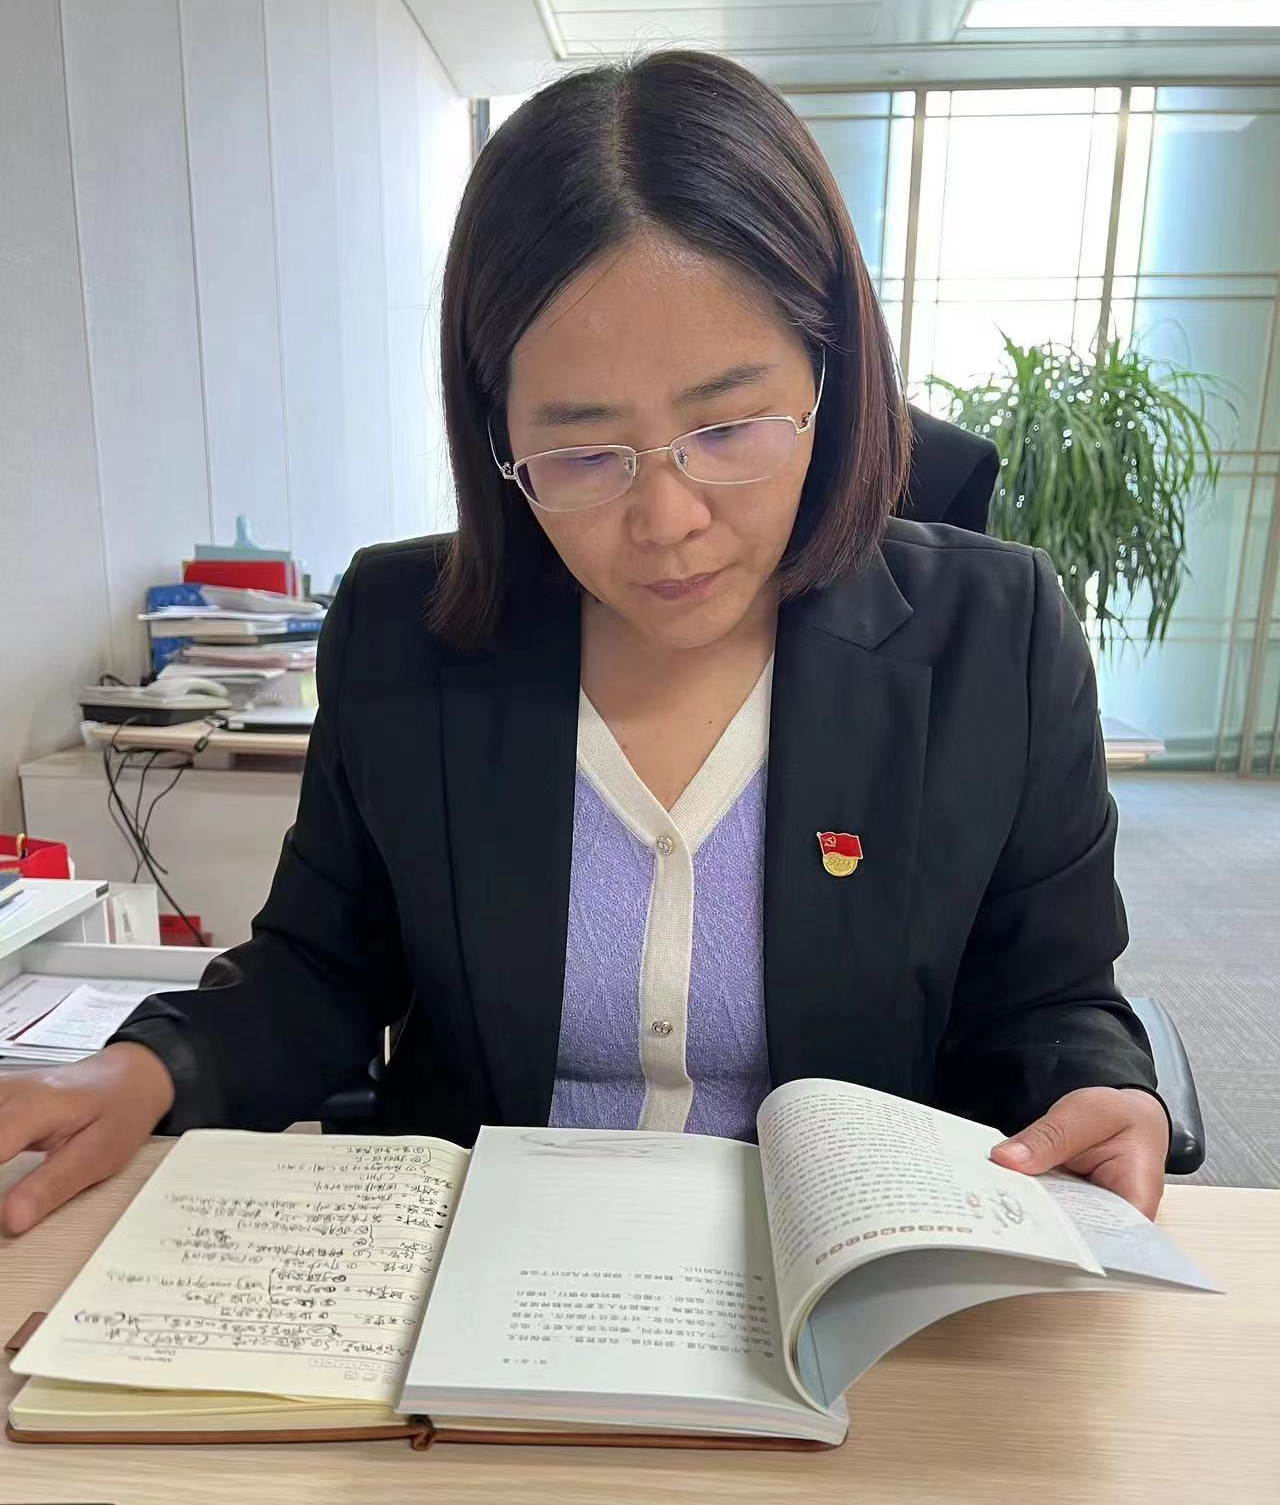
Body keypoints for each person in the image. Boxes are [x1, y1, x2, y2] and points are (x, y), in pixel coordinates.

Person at [0, 50, 1169, 1238]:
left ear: (831, 378)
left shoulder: (993, 634)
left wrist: (1096, 1082)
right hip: (474, 1276)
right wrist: (151, 1066)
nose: (665, 518)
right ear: (495, 433)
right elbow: (319, 969)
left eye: (729, 426)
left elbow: (1048, 998)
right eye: (581, 450)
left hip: (841, 1281)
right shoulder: (405, 631)